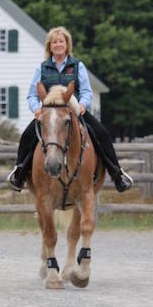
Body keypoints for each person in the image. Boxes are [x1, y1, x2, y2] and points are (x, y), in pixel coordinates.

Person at [8, 26, 133, 193]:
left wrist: (83, 104)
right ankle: (20, 173)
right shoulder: (42, 68)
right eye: (54, 42)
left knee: (101, 133)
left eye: (61, 41)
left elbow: (87, 90)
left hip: (74, 110)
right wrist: (36, 109)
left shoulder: (77, 66)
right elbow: (32, 95)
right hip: (49, 113)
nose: (58, 44)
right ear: (49, 46)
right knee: (26, 136)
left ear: (67, 45)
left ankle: (117, 174)